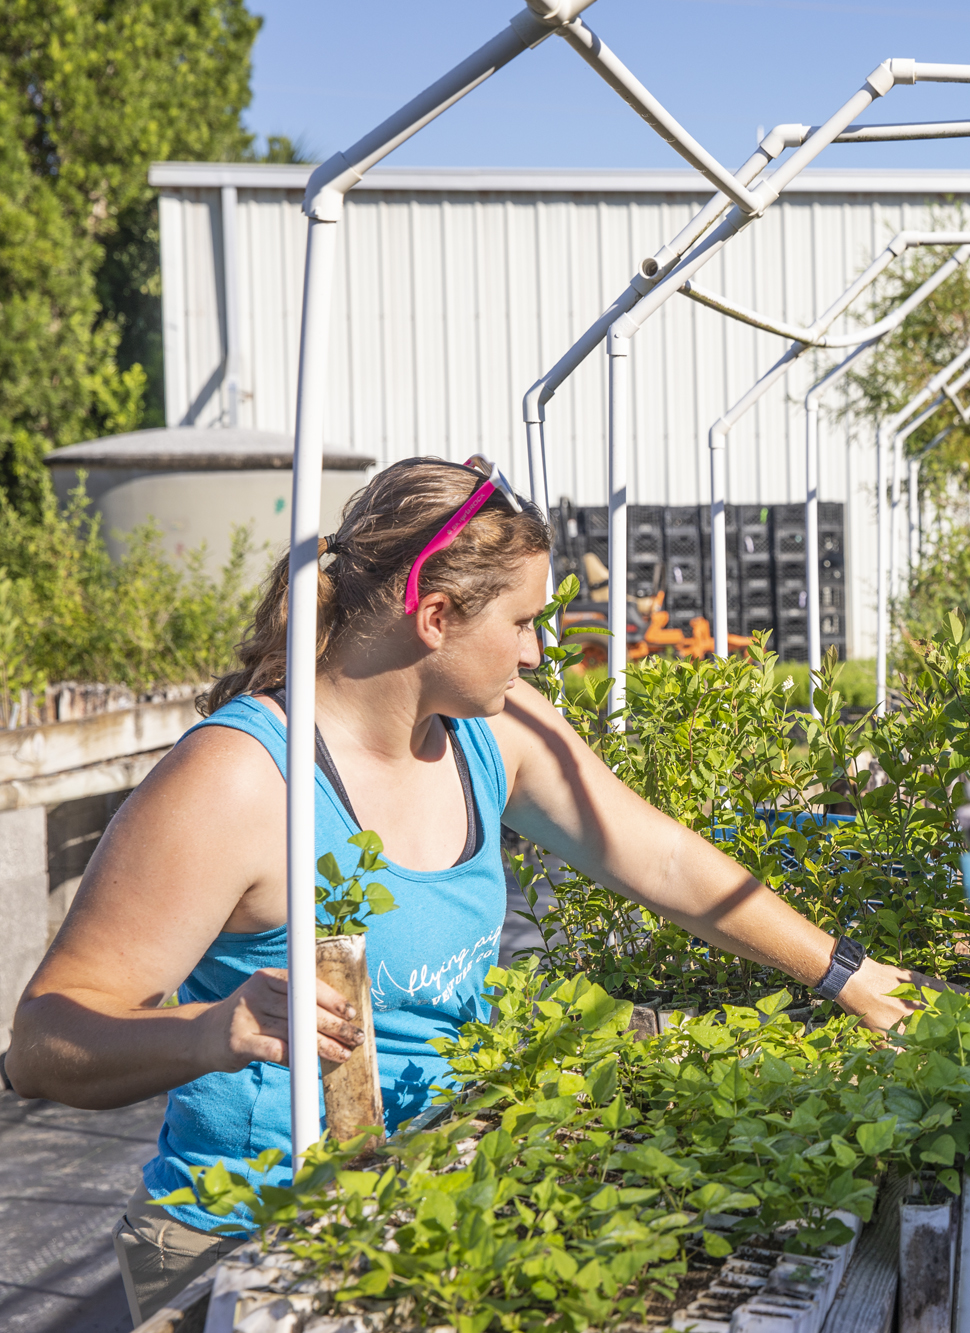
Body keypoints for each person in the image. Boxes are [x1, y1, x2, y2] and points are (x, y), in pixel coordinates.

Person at [1, 457, 917, 1324]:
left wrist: (849, 976)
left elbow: (665, 863)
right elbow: (45, 1040)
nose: (538, 653)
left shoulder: (496, 733)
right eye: (523, 623)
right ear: (434, 616)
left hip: (431, 1212)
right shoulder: (243, 781)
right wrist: (211, 1030)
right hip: (243, 1247)